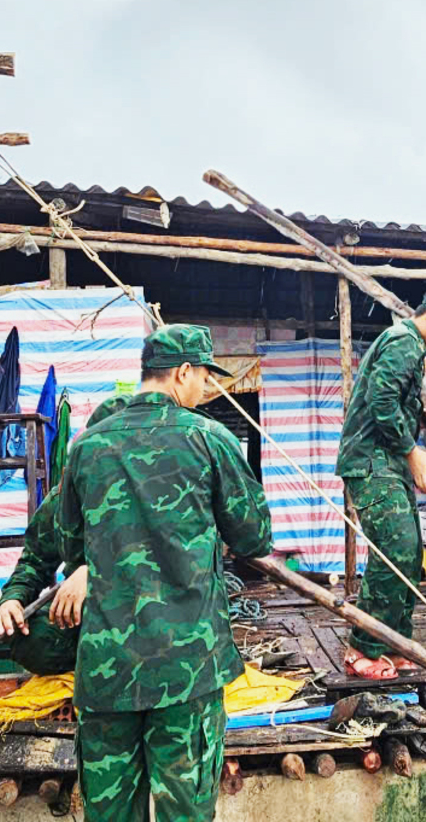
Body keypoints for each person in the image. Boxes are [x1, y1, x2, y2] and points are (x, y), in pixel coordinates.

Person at [59, 324, 274, 822]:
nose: (204, 388)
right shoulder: (210, 439)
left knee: (109, 814)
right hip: (187, 670)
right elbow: (255, 539)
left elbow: (72, 550)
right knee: (186, 812)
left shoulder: (86, 448)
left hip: (107, 671)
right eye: (202, 376)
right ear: (182, 373)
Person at [335, 291, 426, 680]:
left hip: (388, 461)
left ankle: (395, 641)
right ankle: (363, 646)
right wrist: (412, 450)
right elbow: (382, 401)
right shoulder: (403, 342)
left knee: (411, 554)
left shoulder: (411, 347)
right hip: (371, 461)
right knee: (393, 549)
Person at [0, 394, 133, 674]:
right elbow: (34, 562)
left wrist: (95, 572)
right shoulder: (66, 498)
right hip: (90, 616)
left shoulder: (160, 497)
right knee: (33, 640)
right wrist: (12, 601)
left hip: (152, 617)